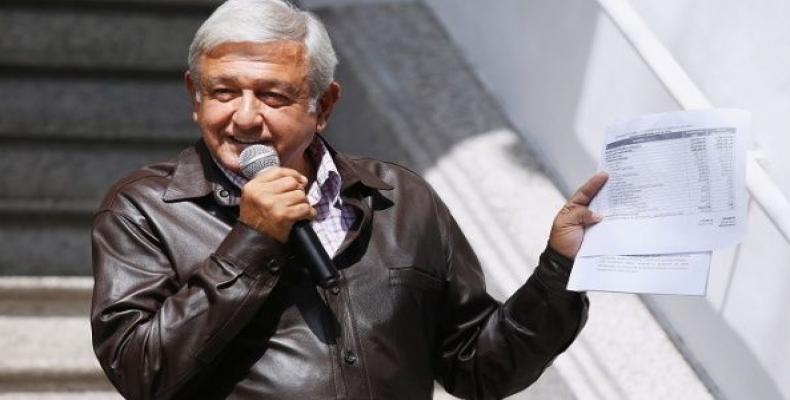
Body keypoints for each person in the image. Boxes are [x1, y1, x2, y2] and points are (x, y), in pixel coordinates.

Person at [90, 0, 608, 399]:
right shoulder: (147, 209)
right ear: (194, 97)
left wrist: (559, 270)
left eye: (272, 96)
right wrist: (251, 241)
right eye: (223, 92)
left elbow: (478, 367)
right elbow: (142, 373)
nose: (244, 118)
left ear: (324, 105)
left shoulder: (401, 200)